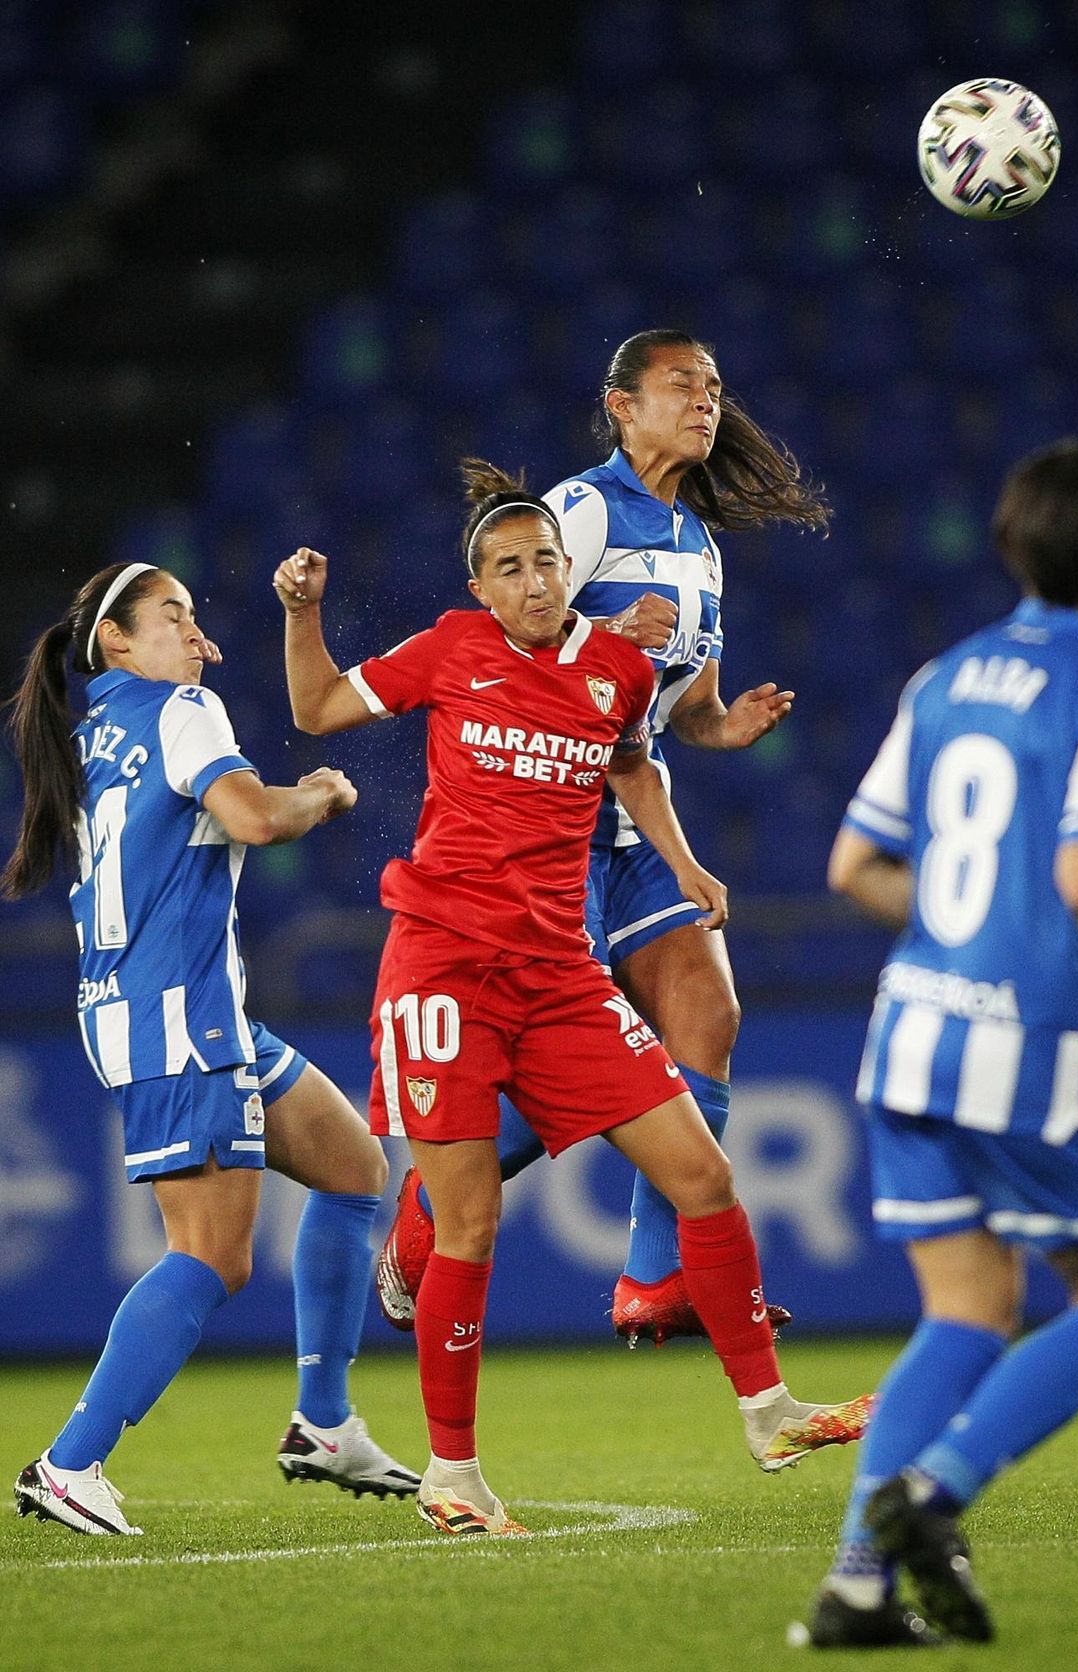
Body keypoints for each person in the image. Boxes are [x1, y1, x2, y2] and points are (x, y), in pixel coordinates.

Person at [274, 461, 868, 1538]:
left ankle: (769, 1408)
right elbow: (315, 708)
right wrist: (305, 611)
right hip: (444, 966)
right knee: (471, 1220)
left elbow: (632, 766)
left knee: (703, 1172)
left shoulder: (617, 667)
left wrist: (683, 865)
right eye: (510, 567)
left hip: (558, 978)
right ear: (483, 590)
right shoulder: (448, 650)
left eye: (545, 558)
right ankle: (453, 1474)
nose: (536, 579)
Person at [796, 441, 1078, 1649]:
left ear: (1010, 547)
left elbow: (851, 866)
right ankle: (933, 1491)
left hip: (911, 1028)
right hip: (1029, 1042)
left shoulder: (943, 675)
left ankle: (856, 1587)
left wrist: (960, 941)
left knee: (965, 1308)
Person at [374, 329, 828, 1348]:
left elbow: (678, 709)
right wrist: (595, 644)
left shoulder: (700, 545)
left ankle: (652, 1277)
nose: (705, 401)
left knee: (707, 1014)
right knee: (550, 1073)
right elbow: (500, 642)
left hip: (632, 814)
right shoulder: (580, 512)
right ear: (622, 405)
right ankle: (427, 1204)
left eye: (714, 386)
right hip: (552, 831)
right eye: (682, 386)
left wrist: (725, 725)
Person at [4, 561, 420, 1538]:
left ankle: (322, 1423)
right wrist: (317, 792)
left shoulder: (97, 731)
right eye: (175, 618)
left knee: (356, 1167)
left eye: (195, 618)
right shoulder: (179, 706)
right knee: (212, 1256)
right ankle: (69, 1463)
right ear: (115, 641)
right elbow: (253, 817)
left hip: (171, 1012)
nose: (202, 639)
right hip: (179, 1021)